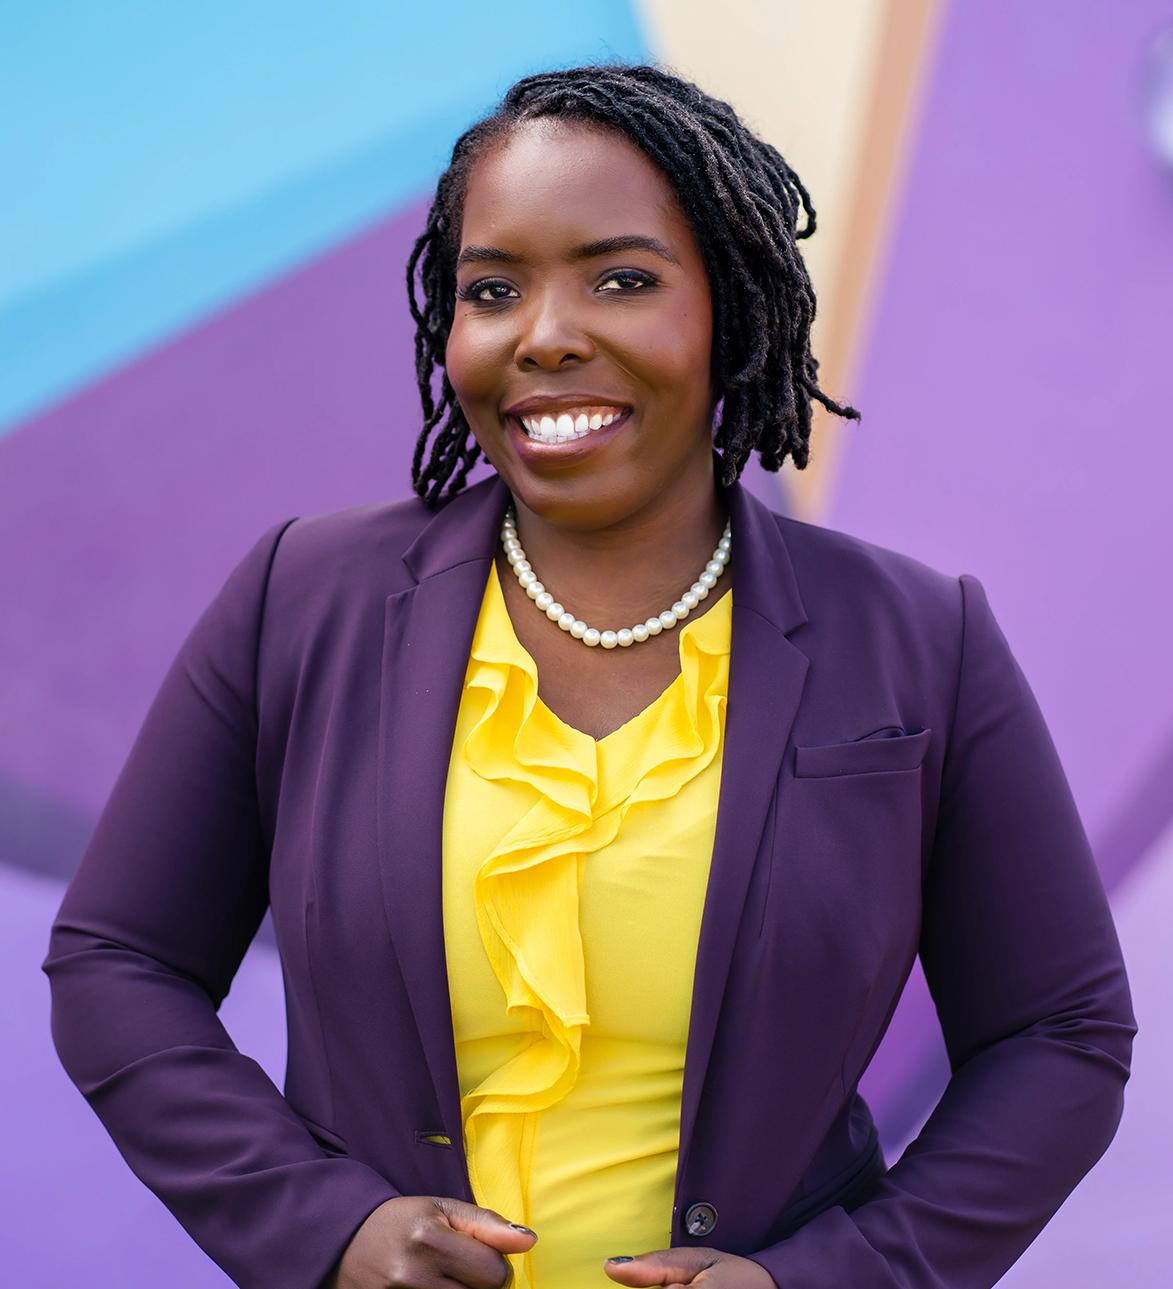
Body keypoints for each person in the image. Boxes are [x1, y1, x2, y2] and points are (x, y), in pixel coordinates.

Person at [43, 63, 1135, 1289]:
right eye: (493, 289)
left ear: (730, 303)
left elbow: (1060, 1033)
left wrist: (835, 1277)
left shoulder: (920, 638)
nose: (547, 333)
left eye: (622, 278)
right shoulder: (303, 600)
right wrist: (323, 1228)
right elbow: (117, 961)